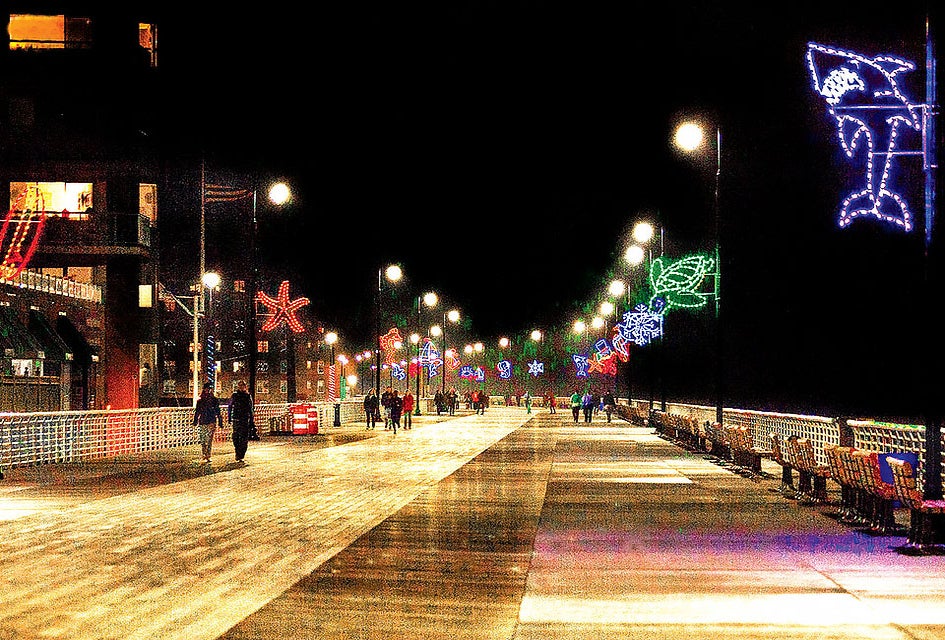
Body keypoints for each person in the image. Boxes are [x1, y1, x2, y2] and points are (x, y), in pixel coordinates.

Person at [193, 382, 223, 463]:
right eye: (206, 389)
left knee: (209, 439)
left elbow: (218, 411)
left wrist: (220, 421)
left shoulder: (214, 400)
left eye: (209, 389)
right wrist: (195, 420)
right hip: (203, 420)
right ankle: (204, 453)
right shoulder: (200, 401)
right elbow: (197, 411)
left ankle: (208, 455)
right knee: (203, 439)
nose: (208, 390)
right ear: (204, 390)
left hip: (211, 420)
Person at [227, 380, 254, 464]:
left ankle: (241, 454)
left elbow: (250, 408)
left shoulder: (247, 396)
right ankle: (237, 451)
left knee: (244, 438)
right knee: (236, 437)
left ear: (245, 387)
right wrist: (229, 417)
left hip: (244, 419)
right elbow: (230, 406)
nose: (241, 387)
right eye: (240, 385)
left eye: (243, 385)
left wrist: (251, 419)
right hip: (236, 418)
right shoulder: (235, 396)